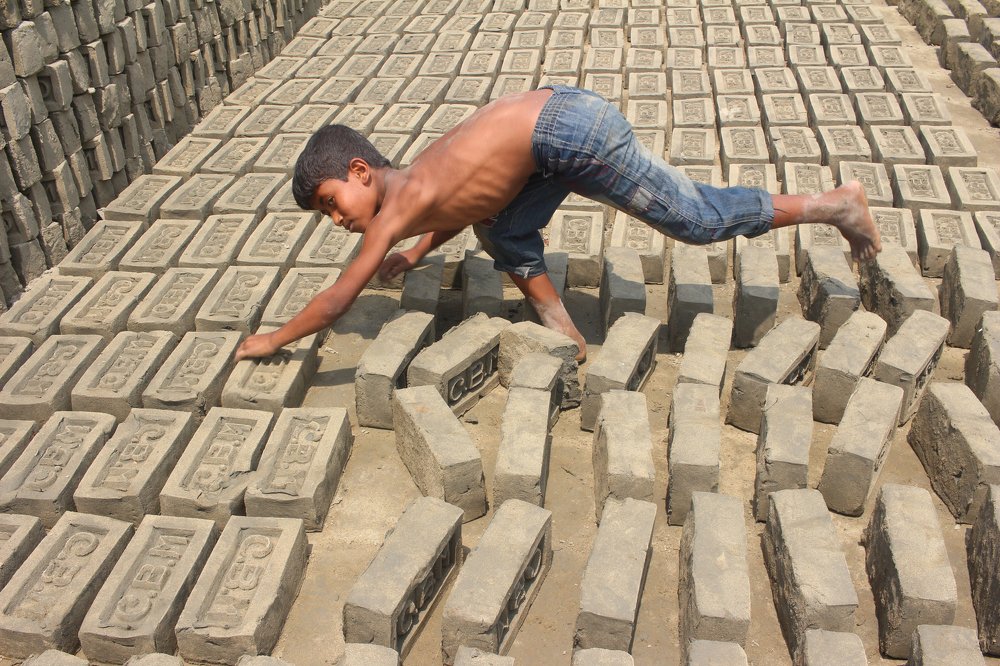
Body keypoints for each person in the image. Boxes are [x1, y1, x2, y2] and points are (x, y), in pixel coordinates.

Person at [234, 85, 880, 362]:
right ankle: (564, 332)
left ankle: (835, 205)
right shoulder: (414, 184)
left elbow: (339, 298)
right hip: (552, 123)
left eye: (331, 201)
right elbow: (462, 208)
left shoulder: (395, 210)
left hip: (569, 134)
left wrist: (274, 339)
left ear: (359, 170)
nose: (336, 218)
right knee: (500, 227)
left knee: (695, 219)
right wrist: (417, 253)